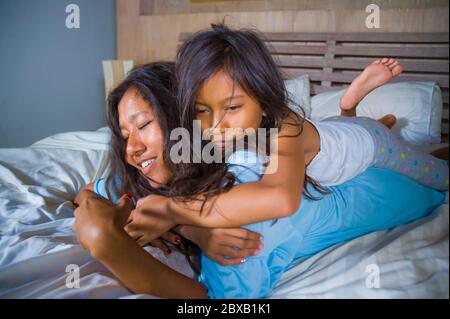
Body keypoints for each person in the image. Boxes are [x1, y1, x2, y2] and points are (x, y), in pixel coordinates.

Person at [73, 62, 446, 299]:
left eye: (143, 126)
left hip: (390, 181)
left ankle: (368, 119)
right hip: (344, 150)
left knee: (429, 163)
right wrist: (191, 228)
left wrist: (107, 244)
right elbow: (90, 191)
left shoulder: (248, 194)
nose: (131, 150)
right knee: (358, 137)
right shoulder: (170, 170)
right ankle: (358, 116)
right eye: (124, 135)